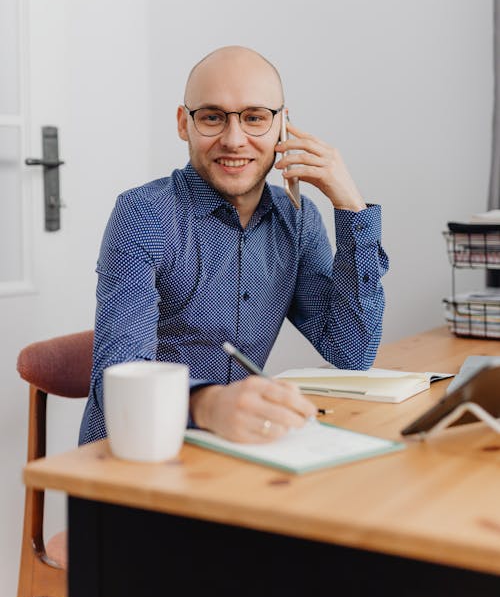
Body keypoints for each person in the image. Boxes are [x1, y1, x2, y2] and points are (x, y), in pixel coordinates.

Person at [79, 45, 389, 445]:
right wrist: (209, 405)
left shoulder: (297, 219)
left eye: (254, 118)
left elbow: (352, 350)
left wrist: (350, 205)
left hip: (235, 455)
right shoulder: (144, 214)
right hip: (135, 457)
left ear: (283, 125)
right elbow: (118, 380)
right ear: (182, 123)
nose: (234, 139)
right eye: (212, 118)